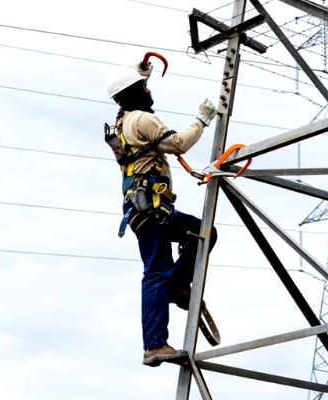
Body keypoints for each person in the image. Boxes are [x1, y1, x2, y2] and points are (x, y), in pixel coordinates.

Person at [105, 58, 218, 367]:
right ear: (135, 94)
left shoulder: (124, 120)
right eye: (144, 86)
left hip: (149, 209)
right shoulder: (142, 118)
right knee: (156, 271)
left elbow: (129, 93)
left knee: (203, 232)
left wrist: (141, 73)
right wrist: (203, 120)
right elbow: (179, 144)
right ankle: (154, 344)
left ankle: (178, 285)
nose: (149, 89)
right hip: (152, 210)